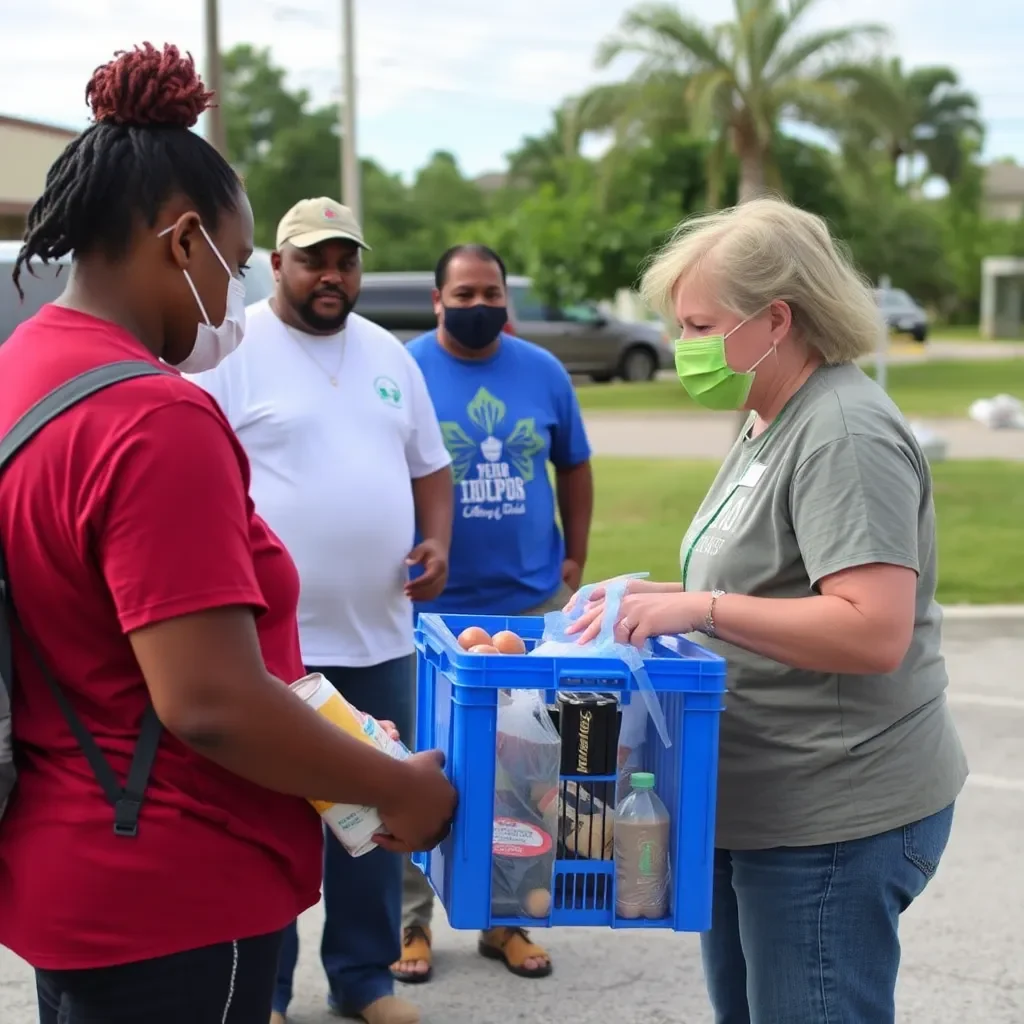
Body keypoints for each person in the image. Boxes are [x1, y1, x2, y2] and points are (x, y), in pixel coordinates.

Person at [0, 43, 455, 1024]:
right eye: (238, 264)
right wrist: (396, 789)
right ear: (182, 241)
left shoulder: (23, 369)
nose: (236, 297)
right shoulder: (156, 416)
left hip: (75, 866)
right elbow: (209, 699)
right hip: (175, 892)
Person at [567, 198, 969, 1024]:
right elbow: (760, 577)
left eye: (699, 324)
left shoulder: (843, 433)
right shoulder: (766, 417)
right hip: (761, 806)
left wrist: (704, 608)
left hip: (831, 819)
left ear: (776, 319)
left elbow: (872, 628)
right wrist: (655, 598)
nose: (683, 347)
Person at [188, 197, 453, 1024]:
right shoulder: (234, 351)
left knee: (373, 815)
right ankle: (265, 990)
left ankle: (364, 980)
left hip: (378, 633)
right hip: (272, 644)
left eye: (345, 260)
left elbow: (430, 467)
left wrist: (437, 542)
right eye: (313, 259)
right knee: (270, 820)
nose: (332, 275)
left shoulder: (388, 354)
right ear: (277, 266)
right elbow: (200, 475)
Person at [395, 244, 594, 984]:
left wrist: (574, 558)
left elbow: (573, 464)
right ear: (437, 299)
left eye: (493, 292)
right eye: (465, 292)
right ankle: (410, 922)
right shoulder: (405, 369)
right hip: (433, 613)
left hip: (529, 608)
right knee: (417, 768)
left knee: (525, 769)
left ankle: (509, 914)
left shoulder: (541, 371)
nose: (481, 305)